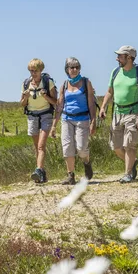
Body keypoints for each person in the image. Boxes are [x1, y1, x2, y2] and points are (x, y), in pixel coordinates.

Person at [98, 45, 138, 183]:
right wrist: (103, 107)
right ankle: (132, 163)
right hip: (116, 112)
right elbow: (109, 91)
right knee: (116, 147)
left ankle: (127, 174)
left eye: (120, 56)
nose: (117, 58)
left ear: (129, 58)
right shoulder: (115, 72)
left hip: (133, 112)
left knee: (129, 145)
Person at [51, 57, 97, 185]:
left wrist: (93, 121)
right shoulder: (64, 85)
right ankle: (70, 175)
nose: (75, 69)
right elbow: (60, 106)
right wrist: (54, 125)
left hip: (82, 119)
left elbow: (91, 104)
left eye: (77, 67)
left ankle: (86, 162)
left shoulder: (86, 82)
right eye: (72, 67)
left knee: (81, 148)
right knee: (67, 148)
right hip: (67, 119)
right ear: (67, 69)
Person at [21, 58, 58, 183]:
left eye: (35, 71)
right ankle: (41, 174)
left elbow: (56, 102)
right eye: (31, 71)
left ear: (41, 70)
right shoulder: (26, 83)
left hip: (46, 114)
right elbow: (22, 104)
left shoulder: (48, 83)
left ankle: (38, 170)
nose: (33, 73)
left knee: (41, 145)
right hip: (32, 116)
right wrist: (25, 97)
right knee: (37, 147)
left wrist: (45, 96)